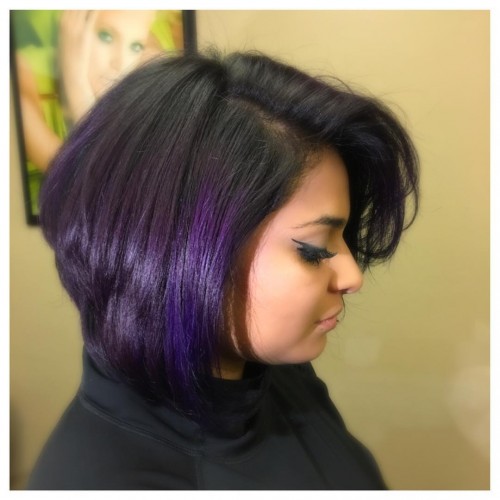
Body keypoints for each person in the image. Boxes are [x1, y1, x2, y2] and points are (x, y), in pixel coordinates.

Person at [27, 50, 419, 490]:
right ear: (176, 251)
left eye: (342, 237)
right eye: (313, 250)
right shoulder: (106, 482)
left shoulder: (274, 377)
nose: (352, 277)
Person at [12, 10, 181, 216]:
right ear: (71, 27)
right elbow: (99, 186)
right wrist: (76, 82)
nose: (120, 63)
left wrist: (78, 87)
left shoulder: (144, 77)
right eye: (106, 36)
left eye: (135, 46)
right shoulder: (23, 73)